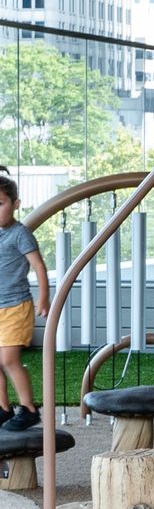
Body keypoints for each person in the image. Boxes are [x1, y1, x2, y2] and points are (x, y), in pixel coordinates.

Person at [0, 174, 48, 432]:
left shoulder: (20, 234)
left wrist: (44, 297)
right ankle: (3, 408)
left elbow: (39, 266)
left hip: (15, 307)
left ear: (15, 204)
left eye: (0, 203)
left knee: (8, 359)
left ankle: (29, 409)